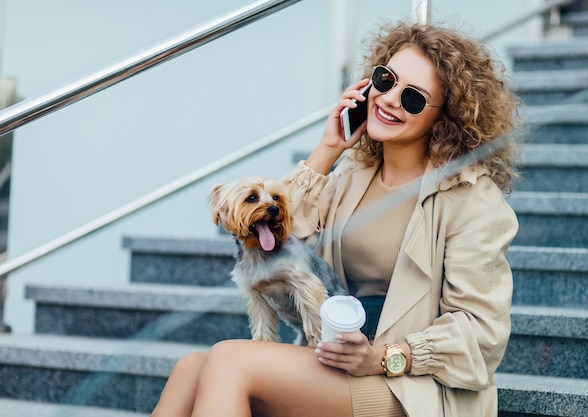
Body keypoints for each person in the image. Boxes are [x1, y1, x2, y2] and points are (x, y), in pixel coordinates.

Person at [151, 19, 521, 417]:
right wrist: (328, 148)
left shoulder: (471, 198)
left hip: (412, 385)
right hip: (341, 355)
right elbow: (285, 228)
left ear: (443, 118)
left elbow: (481, 332)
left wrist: (381, 357)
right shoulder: (352, 174)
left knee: (228, 360)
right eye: (385, 80)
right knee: (190, 368)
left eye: (413, 98)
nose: (390, 98)